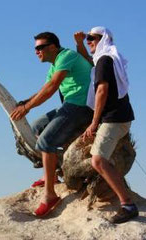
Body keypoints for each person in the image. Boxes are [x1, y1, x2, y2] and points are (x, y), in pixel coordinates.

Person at [10, 32, 93, 217]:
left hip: (80, 107)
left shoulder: (67, 56)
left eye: (40, 47)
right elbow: (44, 87)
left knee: (45, 142)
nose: (37, 52)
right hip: (69, 104)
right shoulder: (55, 63)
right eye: (35, 49)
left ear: (53, 47)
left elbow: (53, 86)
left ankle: (50, 195)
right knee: (34, 128)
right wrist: (25, 102)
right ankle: (51, 174)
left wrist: (27, 107)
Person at [74, 26, 138, 224]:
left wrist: (94, 122)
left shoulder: (104, 60)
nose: (89, 41)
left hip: (113, 118)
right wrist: (79, 44)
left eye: (92, 38)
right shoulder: (105, 58)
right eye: (88, 39)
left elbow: (101, 90)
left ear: (103, 39)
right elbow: (89, 61)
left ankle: (127, 205)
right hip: (121, 116)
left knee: (98, 160)